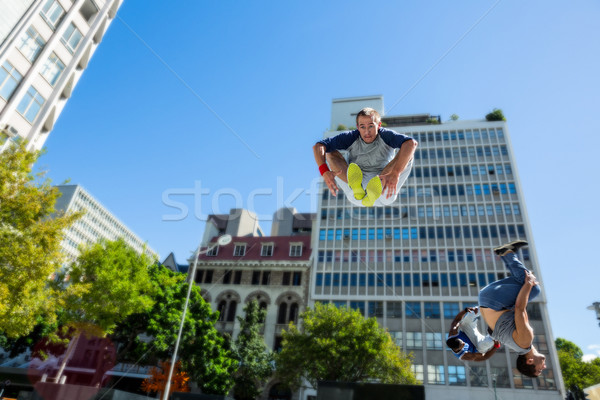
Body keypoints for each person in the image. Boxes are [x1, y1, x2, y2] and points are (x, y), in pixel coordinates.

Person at [313, 107, 417, 207]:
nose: (367, 132)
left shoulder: (386, 135)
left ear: (379, 125)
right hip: (356, 193)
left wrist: (395, 173)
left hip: (384, 187)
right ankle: (357, 187)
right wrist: (324, 171)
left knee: (407, 151)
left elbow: (411, 143)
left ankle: (374, 188)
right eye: (362, 127)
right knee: (329, 152)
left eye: (371, 126)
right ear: (357, 127)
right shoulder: (351, 137)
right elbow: (318, 146)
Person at [479, 240, 547, 377]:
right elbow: (494, 331)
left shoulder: (525, 341)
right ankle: (506, 253)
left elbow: (520, 308)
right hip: (487, 299)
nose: (544, 367)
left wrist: (528, 284)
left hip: (494, 299)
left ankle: (507, 253)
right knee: (524, 283)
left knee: (533, 288)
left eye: (540, 369)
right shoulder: (517, 346)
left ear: (530, 361)